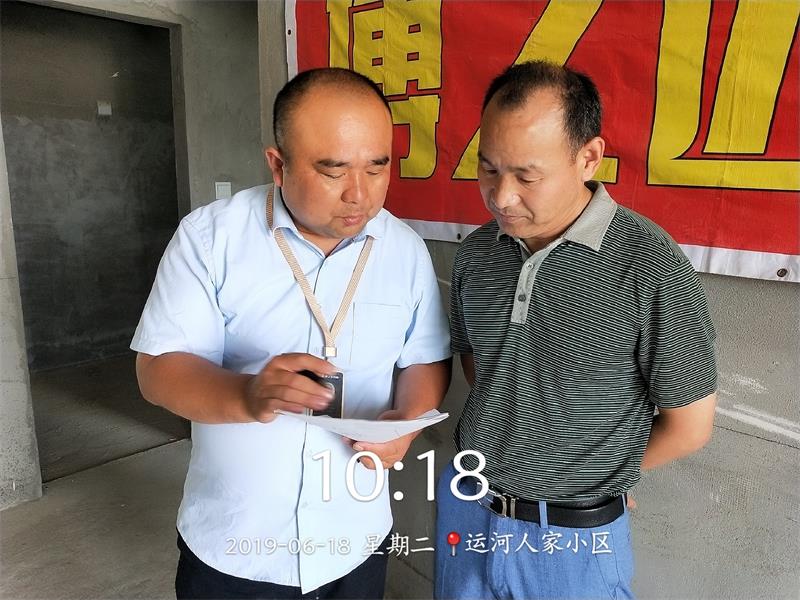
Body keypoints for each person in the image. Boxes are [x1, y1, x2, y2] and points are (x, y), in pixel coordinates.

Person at [132, 67, 451, 599]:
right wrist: (247, 393)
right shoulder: (211, 238)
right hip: (237, 543)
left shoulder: (404, 250)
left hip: (356, 535)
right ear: (278, 165)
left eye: (377, 167)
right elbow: (158, 369)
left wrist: (408, 421)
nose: (359, 194)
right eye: (333, 170)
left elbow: (424, 357)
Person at [435, 60, 717, 599]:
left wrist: (604, 479)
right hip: (467, 511)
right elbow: (483, 369)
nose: (501, 195)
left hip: (571, 541)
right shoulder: (477, 254)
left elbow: (689, 425)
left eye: (527, 176)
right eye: (488, 168)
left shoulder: (649, 263)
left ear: (588, 158)